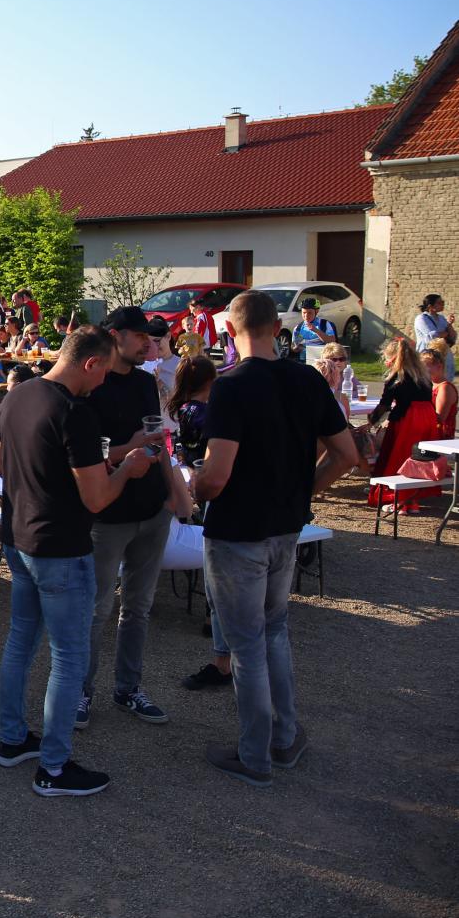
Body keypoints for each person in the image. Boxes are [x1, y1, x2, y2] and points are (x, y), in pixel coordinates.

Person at [193, 290, 357, 786]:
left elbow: (217, 477)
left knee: (245, 644)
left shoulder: (231, 385)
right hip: (287, 526)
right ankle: (284, 738)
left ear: (229, 330)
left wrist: (195, 486)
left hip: (238, 531)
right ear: (277, 328)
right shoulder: (307, 378)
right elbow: (347, 454)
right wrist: (302, 490)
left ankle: (255, 755)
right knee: (274, 631)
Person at [0, 326, 157, 797]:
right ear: (90, 363)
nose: (104, 381)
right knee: (69, 658)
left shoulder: (17, 395)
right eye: (104, 371)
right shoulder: (74, 413)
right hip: (60, 548)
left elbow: (3, 464)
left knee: (20, 642)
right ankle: (54, 768)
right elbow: (98, 499)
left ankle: (12, 740)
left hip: (18, 537)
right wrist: (127, 468)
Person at [80, 307, 193, 732]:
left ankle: (128, 688)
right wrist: (127, 449)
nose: (151, 343)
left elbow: (158, 440)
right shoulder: (91, 382)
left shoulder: (146, 383)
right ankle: (80, 692)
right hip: (108, 515)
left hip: (152, 510)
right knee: (96, 609)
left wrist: (175, 492)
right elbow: (85, 456)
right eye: (142, 336)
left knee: (138, 608)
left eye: (153, 337)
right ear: (116, 336)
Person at [367, 337, 441, 510]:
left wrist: (371, 421)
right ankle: (414, 497)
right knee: (420, 457)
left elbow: (384, 405)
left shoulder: (397, 377)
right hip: (427, 416)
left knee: (401, 457)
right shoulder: (423, 376)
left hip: (409, 418)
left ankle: (402, 500)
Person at [168, 356, 216, 467]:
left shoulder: (185, 407)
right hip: (202, 465)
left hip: (190, 464)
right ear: (210, 382)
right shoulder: (202, 411)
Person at [415, 294, 457, 382]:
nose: (443, 304)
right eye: (440, 302)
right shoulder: (421, 318)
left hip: (444, 353)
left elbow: (453, 336)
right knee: (429, 379)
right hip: (429, 354)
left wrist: (449, 324)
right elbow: (432, 336)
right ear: (430, 306)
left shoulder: (441, 318)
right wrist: (445, 333)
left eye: (443, 302)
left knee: (445, 379)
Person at [423, 348, 457, 439]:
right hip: (430, 434)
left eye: (425, 367)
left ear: (439, 366)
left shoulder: (445, 388)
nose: (423, 371)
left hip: (440, 438)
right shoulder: (430, 385)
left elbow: (439, 418)